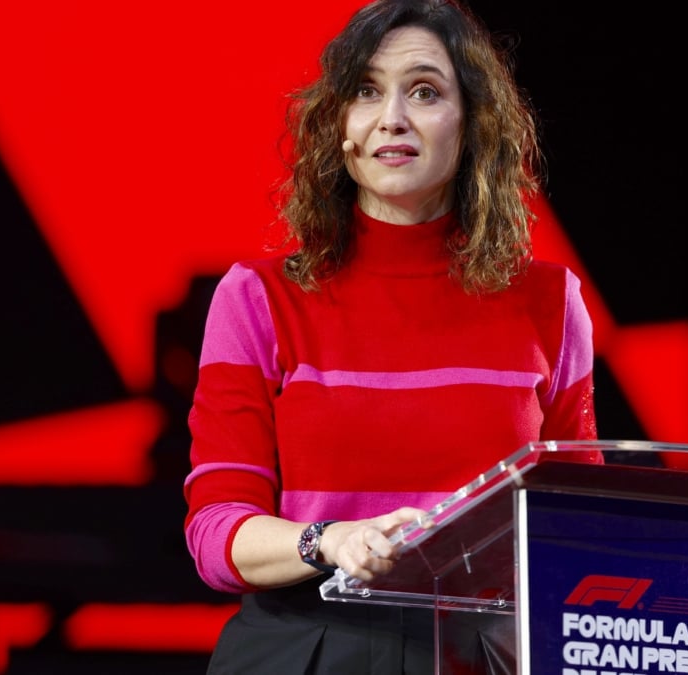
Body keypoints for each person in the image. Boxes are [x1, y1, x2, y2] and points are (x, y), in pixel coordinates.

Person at [182, 0, 602, 672]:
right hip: (306, 644)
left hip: (480, 650)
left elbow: (580, 528)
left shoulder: (550, 303)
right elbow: (214, 533)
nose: (393, 118)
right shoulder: (259, 298)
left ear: (472, 124)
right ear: (338, 125)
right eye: (367, 91)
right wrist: (331, 539)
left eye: (426, 92)